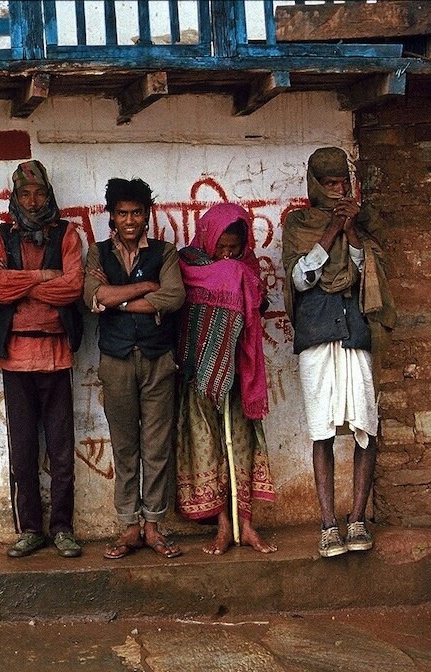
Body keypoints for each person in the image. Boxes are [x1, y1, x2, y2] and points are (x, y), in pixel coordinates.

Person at [282, 147, 395, 558]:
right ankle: (329, 524)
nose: (336, 191)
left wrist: (352, 234)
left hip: (355, 332)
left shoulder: (361, 225)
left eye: (342, 184)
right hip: (316, 334)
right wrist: (331, 231)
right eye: (329, 184)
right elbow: (299, 278)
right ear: (314, 185)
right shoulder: (298, 224)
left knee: (366, 425)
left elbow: (375, 277)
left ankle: (358, 519)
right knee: (322, 430)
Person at [0, 160, 84, 559]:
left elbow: (74, 286)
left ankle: (62, 528)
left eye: (39, 193)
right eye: (24, 194)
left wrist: (24, 286)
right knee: (22, 450)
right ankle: (30, 529)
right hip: (16, 357)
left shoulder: (67, 234)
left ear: (49, 195)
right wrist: (45, 277)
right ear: (15, 198)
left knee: (61, 451)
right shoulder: (2, 236)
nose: (32, 200)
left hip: (57, 354)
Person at [83, 178, 185, 560]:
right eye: (122, 213)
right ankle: (129, 528)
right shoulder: (97, 253)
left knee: (157, 447)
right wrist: (143, 290)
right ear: (111, 216)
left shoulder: (165, 251)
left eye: (137, 213)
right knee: (125, 446)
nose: (130, 220)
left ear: (147, 216)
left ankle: (154, 527)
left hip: (159, 359)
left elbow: (173, 296)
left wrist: (117, 300)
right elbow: (93, 296)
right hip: (116, 360)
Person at [174, 203, 277, 555]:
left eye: (235, 248)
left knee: (242, 447)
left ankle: (246, 525)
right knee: (209, 448)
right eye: (223, 247)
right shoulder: (186, 264)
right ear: (208, 239)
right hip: (199, 376)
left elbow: (257, 307)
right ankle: (222, 527)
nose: (229, 254)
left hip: (239, 376)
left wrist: (239, 282)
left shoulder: (246, 270)